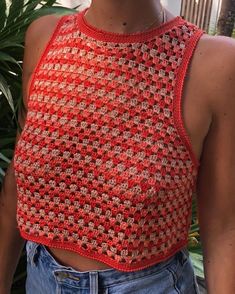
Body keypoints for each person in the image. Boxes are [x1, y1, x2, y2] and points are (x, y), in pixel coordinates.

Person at [0, 0, 235, 293]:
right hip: (42, 280)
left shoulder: (213, 63)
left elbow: (224, 227)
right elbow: (16, 182)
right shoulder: (43, 37)